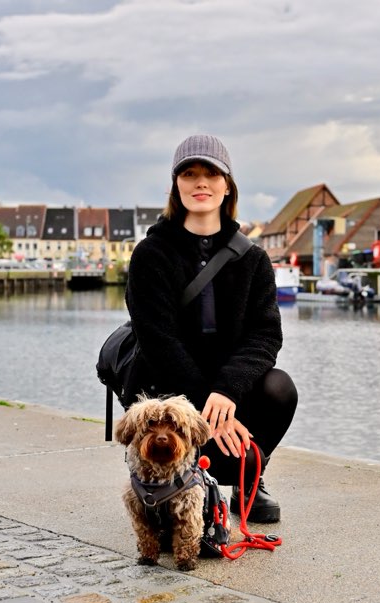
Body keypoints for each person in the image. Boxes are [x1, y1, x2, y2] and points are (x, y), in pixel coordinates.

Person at [123, 134, 297, 523]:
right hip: (164, 384)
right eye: (190, 173)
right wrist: (204, 406)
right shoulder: (150, 255)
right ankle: (168, 479)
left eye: (211, 173)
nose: (201, 182)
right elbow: (156, 339)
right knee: (160, 405)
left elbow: (266, 335)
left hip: (225, 391)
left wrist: (227, 391)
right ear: (176, 185)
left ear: (226, 185)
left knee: (279, 387)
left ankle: (250, 478)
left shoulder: (253, 259)